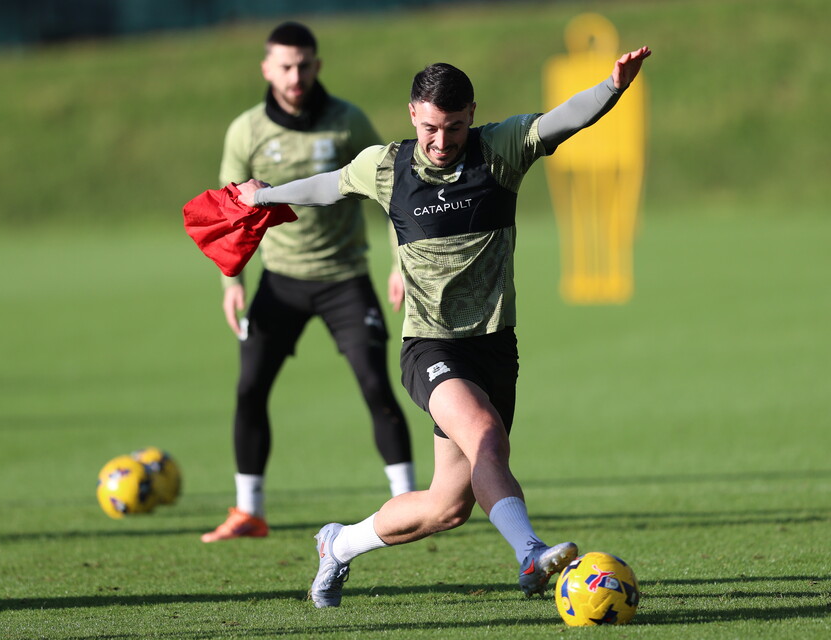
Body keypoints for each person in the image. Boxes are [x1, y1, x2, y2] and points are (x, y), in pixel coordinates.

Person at [235, 45, 652, 604]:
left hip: (496, 348)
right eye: (431, 127)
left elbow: (564, 118)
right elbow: (328, 184)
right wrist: (264, 195)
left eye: (454, 127)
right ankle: (530, 553)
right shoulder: (385, 166)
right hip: (429, 345)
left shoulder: (500, 151)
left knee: (446, 507)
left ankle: (338, 545)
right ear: (413, 114)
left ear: (472, 114)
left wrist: (612, 86)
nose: (441, 140)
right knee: (485, 437)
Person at [202, 22, 415, 543]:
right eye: (285, 66)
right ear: (267, 69)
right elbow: (228, 211)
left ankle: (409, 503)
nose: (295, 76)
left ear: (318, 66)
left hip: (346, 280)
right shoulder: (246, 130)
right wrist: (232, 281)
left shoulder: (347, 122)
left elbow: (395, 192)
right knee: (250, 389)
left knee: (375, 385)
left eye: (304, 65)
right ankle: (249, 511)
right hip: (281, 282)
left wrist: (399, 264)